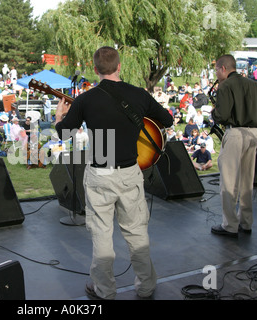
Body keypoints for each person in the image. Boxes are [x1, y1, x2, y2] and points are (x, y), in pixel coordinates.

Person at [55, 46, 173, 299]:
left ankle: (105, 290)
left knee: (101, 234)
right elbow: (168, 119)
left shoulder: (86, 99)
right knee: (137, 233)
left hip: (100, 174)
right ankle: (146, 286)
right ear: (119, 66)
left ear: (95, 69)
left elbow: (65, 133)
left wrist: (58, 117)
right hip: (130, 172)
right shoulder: (139, 94)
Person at [210, 54, 257, 238]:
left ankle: (230, 225)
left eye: (217, 70)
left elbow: (222, 115)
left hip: (235, 133)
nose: (216, 74)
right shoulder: (254, 85)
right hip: (254, 133)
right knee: (247, 180)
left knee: (229, 181)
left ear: (223, 69)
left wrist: (213, 112)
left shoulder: (225, 86)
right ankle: (246, 222)